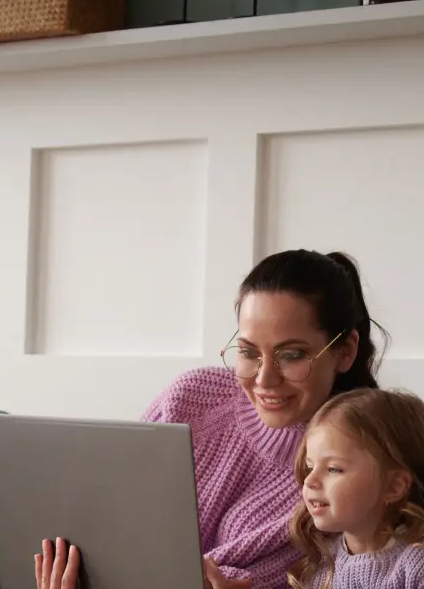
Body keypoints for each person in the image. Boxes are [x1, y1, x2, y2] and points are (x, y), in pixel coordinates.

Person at [35, 248, 388, 589]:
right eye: (249, 352)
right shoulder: (190, 400)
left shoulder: (360, 469)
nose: (264, 380)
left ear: (345, 351)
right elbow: (105, 514)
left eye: (292, 355)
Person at [289, 387, 424, 589]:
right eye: (310, 467)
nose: (310, 481)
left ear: (394, 486)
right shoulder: (324, 566)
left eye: (333, 469)